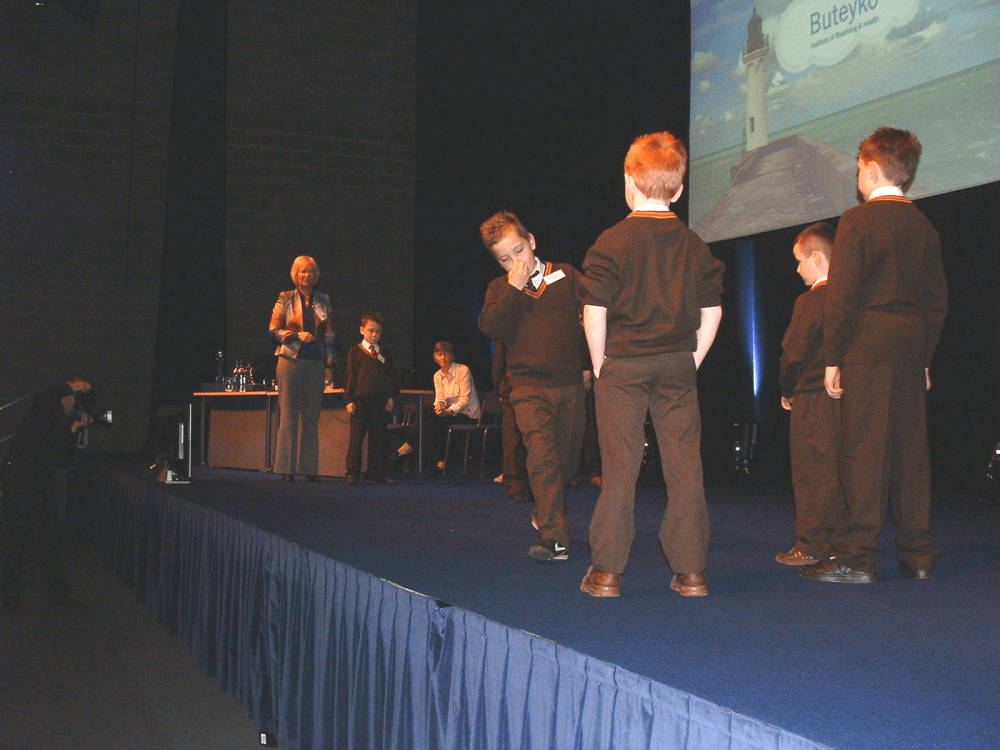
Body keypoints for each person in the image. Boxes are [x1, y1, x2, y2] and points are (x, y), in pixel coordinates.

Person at [580, 131, 724, 598]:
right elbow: (712, 310)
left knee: (620, 468)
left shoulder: (611, 241)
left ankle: (605, 574)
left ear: (629, 182)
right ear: (679, 190)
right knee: (684, 468)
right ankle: (692, 573)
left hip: (623, 366)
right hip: (677, 367)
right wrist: (693, 358)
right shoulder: (694, 243)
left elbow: (594, 310)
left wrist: (600, 364)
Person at [801, 126, 947, 584]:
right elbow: (937, 300)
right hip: (909, 351)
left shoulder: (856, 221)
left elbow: (841, 298)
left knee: (862, 454)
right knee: (910, 455)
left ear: (869, 169)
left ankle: (856, 558)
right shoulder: (923, 224)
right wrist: (923, 358)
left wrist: (832, 358)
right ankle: (919, 553)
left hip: (866, 351)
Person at [479, 211, 588, 561]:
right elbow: (491, 327)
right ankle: (555, 539)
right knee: (541, 458)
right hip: (526, 387)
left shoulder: (567, 276)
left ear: (533, 242)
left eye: (520, 251)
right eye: (505, 259)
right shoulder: (500, 289)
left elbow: (594, 317)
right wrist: (513, 287)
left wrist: (589, 366)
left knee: (566, 462)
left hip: (570, 385)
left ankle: (545, 511)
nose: (516, 262)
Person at [777, 222, 848, 566]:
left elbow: (794, 350)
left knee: (811, 471)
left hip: (811, 396)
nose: (797, 268)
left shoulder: (811, 300)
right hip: (847, 397)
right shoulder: (854, 299)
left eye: (800, 260)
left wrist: (787, 388)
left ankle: (811, 545)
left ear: (818, 259)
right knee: (841, 470)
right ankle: (842, 542)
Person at [1, 377, 92, 613]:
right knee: (14, 543)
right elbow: (43, 399)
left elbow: (63, 459)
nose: (73, 401)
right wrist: (73, 385)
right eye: (71, 396)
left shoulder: (64, 421)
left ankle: (59, 595)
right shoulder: (43, 413)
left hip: (42, 485)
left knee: (50, 542)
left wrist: (73, 430)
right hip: (19, 484)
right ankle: (11, 597)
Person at [269, 255, 337, 482]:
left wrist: (329, 365)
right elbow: (273, 330)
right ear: (295, 275)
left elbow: (329, 336)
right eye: (302, 272)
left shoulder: (324, 300)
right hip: (290, 362)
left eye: (310, 271)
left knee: (311, 417)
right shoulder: (285, 298)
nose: (307, 275)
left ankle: (309, 469)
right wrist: (296, 335)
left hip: (316, 364)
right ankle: (286, 468)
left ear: (316, 276)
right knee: (288, 415)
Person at [395, 341, 481, 472]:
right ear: (435, 357)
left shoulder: (462, 370)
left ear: (452, 356)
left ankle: (408, 445)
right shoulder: (437, 375)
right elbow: (440, 397)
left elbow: (465, 401)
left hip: (466, 414)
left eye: (446, 354)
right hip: (448, 414)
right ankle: (441, 463)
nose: (443, 358)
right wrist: (440, 406)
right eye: (439, 355)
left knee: (425, 410)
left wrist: (448, 412)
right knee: (429, 422)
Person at [344, 311, 397, 485]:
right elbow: (350, 377)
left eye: (378, 332)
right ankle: (352, 472)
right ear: (362, 330)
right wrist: (349, 399)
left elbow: (391, 377)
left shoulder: (385, 353)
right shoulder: (355, 352)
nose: (374, 335)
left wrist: (391, 397)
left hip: (380, 402)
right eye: (371, 330)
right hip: (361, 402)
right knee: (356, 439)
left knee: (379, 439)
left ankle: (378, 472)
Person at [491, 339, 531, 504]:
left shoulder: (507, 330)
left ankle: (516, 488)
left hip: (513, 390)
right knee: (535, 441)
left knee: (513, 442)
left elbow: (498, 366)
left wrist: (500, 388)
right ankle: (535, 488)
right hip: (534, 390)